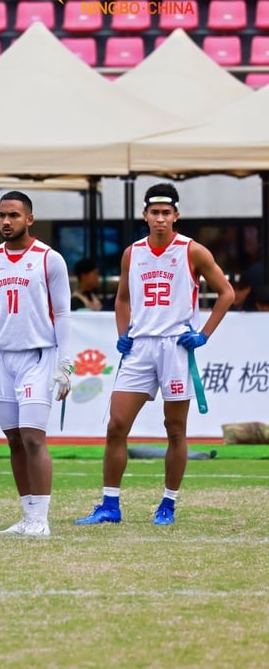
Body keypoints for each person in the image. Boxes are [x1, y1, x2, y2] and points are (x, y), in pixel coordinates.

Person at [75, 183, 233, 527]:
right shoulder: (133, 253)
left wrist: (203, 335)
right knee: (116, 425)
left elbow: (226, 293)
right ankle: (110, 505)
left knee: (175, 429)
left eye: (166, 213)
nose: (160, 219)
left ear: (176, 215)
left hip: (175, 347)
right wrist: (123, 334)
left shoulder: (193, 251)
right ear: (145, 215)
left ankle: (168, 504)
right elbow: (122, 299)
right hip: (141, 346)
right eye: (154, 213)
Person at [0, 191, 72, 538]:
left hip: (37, 356)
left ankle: (41, 518)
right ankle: (27, 516)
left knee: (32, 437)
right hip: (0, 356)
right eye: (1, 215)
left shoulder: (49, 259)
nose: (6, 221)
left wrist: (65, 363)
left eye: (13, 215)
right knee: (13, 438)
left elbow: (62, 313)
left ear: (29, 219)